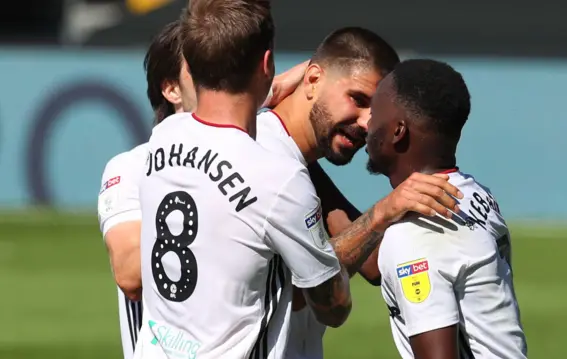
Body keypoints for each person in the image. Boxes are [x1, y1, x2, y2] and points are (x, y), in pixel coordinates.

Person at [97, 19, 306, 359]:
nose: (216, 79)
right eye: (202, 69)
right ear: (171, 89)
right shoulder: (131, 165)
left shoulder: (261, 164)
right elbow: (131, 274)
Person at [257, 27, 460, 359]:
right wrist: (382, 214)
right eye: (358, 99)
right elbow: (308, 297)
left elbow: (372, 263)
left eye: (376, 110)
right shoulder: (267, 161)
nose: (368, 123)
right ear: (312, 81)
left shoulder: (295, 163)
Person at [365, 59, 528, 359]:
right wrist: (302, 159)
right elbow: (373, 261)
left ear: (398, 130)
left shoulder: (415, 235)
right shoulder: (473, 194)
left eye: (374, 114)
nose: (366, 123)